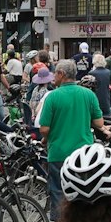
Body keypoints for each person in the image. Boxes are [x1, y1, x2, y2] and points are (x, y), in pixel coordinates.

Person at [36, 59, 104, 212]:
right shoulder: (88, 94)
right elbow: (99, 123)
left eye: (55, 74)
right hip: (84, 155)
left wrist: (46, 138)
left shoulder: (52, 97)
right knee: (83, 194)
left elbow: (44, 129)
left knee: (59, 196)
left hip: (59, 154)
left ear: (61, 74)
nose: (54, 77)